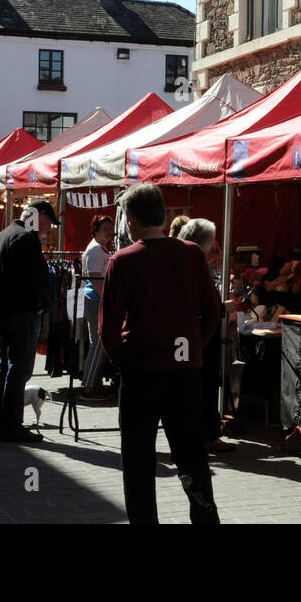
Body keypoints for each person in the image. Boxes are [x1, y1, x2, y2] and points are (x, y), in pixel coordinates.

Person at [102, 183, 220, 524]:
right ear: (162, 215)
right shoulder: (191, 254)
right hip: (185, 373)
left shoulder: (122, 261)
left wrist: (122, 360)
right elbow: (212, 312)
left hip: (141, 373)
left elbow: (108, 328)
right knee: (191, 457)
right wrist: (193, 347)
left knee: (138, 461)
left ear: (130, 220)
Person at [0, 201, 57, 443]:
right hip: (22, 313)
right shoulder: (26, 238)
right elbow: (30, 281)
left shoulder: (3, 236)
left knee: (6, 366)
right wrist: (38, 306)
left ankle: (1, 421)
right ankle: (11, 424)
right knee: (19, 369)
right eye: (48, 222)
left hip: (6, 314)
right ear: (38, 217)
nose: (49, 228)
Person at [178, 218, 236, 454]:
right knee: (206, 384)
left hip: (189, 336)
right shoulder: (194, 265)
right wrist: (223, 308)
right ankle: (209, 435)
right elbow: (204, 305)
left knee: (196, 386)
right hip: (202, 337)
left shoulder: (182, 261)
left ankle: (197, 433)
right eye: (212, 242)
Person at [79, 214, 115, 398]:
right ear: (95, 230)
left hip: (96, 299)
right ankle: (88, 386)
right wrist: (106, 300)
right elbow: (94, 279)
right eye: (104, 229)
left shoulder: (99, 249)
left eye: (110, 228)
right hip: (95, 300)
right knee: (98, 344)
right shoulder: (95, 250)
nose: (108, 232)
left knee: (98, 344)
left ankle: (93, 382)